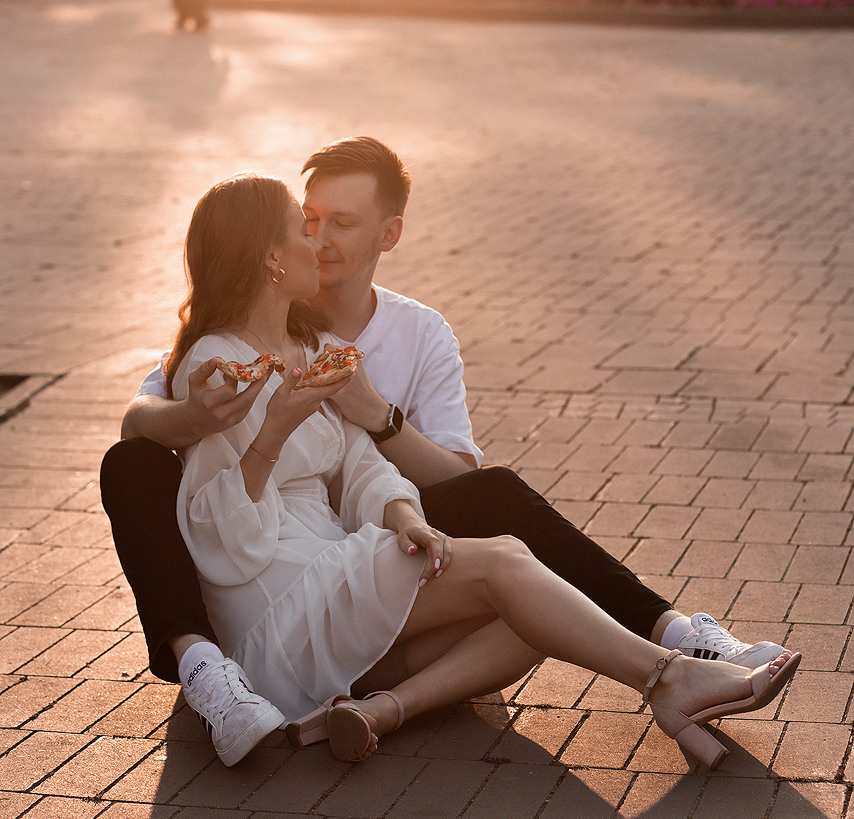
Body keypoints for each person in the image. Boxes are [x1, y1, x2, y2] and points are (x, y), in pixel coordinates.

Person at [101, 138, 794, 766]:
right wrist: (270, 428)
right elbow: (223, 541)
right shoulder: (219, 366)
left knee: (534, 619)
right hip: (274, 605)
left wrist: (404, 515)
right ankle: (669, 677)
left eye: (334, 225)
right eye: (302, 227)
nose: (317, 241)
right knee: (510, 563)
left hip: (334, 575)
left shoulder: (314, 348)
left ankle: (379, 710)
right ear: (271, 259)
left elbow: (364, 463)